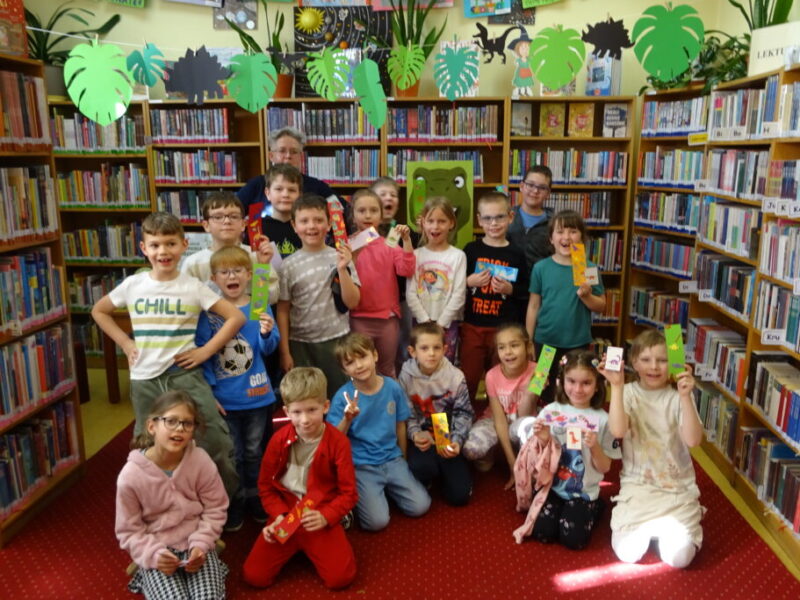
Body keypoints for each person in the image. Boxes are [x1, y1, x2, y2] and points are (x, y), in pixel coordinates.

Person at [92, 212, 243, 498]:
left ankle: (226, 501)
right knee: (148, 445)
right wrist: (125, 342)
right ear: (144, 248)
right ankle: (157, 502)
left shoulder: (192, 287)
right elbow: (99, 311)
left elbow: (235, 317)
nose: (163, 251)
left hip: (184, 375)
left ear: (184, 245)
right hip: (145, 379)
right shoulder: (133, 285)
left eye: (171, 244)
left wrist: (206, 351)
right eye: (155, 245)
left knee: (214, 439)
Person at [242, 367, 357, 590]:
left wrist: (327, 516)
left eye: (312, 410)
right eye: (296, 412)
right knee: (254, 576)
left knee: (341, 578)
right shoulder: (278, 440)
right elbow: (265, 486)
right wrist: (278, 516)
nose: (304, 420)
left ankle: (336, 525)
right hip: (286, 514)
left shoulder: (338, 442)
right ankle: (298, 545)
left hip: (319, 511)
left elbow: (349, 493)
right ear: (286, 411)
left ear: (325, 406)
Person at [599, 329, 705, 569]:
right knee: (627, 553)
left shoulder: (678, 396)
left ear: (673, 363)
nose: (654, 367)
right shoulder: (627, 392)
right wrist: (616, 387)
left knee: (679, 559)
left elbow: (693, 441)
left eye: (663, 360)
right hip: (639, 486)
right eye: (646, 360)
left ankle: (664, 526)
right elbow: (618, 431)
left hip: (676, 488)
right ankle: (651, 526)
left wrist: (686, 397)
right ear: (634, 362)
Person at [196, 246, 280, 531]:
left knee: (255, 452)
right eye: (224, 272)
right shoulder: (211, 312)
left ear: (248, 274)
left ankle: (256, 497)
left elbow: (269, 348)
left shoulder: (258, 305)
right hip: (225, 400)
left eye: (238, 271)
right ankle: (235, 500)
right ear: (214, 278)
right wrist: (209, 391)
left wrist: (266, 333)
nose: (231, 276)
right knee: (232, 455)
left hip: (257, 397)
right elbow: (204, 353)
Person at [115, 391, 229, 600]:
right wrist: (154, 555)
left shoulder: (200, 460)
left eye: (187, 423)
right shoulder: (130, 476)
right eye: (171, 421)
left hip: (196, 541)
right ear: (152, 426)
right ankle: (146, 575)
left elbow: (216, 507)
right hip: (157, 547)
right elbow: (129, 530)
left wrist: (202, 544)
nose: (179, 429)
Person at [327, 333, 430, 531]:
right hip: (362, 465)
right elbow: (334, 439)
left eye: (362, 357)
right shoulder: (343, 397)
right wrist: (347, 419)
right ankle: (366, 494)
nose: (359, 365)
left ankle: (384, 491)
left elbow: (400, 425)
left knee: (420, 506)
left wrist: (403, 458)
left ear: (374, 355)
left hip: (392, 459)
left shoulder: (392, 387)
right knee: (376, 523)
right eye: (350, 362)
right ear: (344, 369)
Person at [531, 350, 620, 550]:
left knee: (574, 540)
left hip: (584, 493)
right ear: (561, 381)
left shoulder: (605, 420)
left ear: (597, 385)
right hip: (553, 487)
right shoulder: (550, 411)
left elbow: (605, 468)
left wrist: (594, 446)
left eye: (586, 383)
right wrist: (544, 439)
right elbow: (539, 459)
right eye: (571, 381)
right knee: (542, 533)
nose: (578, 389)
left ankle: (596, 506)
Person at [277, 194, 360, 398]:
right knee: (306, 398)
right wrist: (285, 352)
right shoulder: (288, 266)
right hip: (300, 345)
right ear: (294, 226)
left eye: (318, 220)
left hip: (337, 340)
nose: (312, 226)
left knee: (340, 398)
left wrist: (342, 269)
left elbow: (353, 302)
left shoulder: (341, 257)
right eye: (304, 221)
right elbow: (283, 310)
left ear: (329, 224)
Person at [525, 209, 606, 404]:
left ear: (582, 238)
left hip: (577, 343)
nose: (566, 237)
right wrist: (529, 340)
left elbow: (601, 306)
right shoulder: (541, 268)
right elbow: (533, 306)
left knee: (573, 388)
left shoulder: (588, 268)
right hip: (545, 341)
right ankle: (539, 417)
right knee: (539, 386)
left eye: (573, 231)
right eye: (560, 231)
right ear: (551, 238)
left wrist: (587, 296)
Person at [460, 191, 528, 408]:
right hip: (473, 326)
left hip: (504, 329)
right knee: (469, 378)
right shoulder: (471, 250)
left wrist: (510, 289)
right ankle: (467, 415)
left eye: (499, 217)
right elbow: (454, 285)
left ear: (510, 217)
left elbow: (526, 290)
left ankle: (498, 416)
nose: (494, 223)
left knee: (502, 379)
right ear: (479, 220)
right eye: (488, 218)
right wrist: (468, 281)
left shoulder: (517, 253)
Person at [399, 322, 473, 506]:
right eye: (424, 348)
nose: (431, 353)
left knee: (460, 496)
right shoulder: (405, 376)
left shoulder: (456, 376)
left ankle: (447, 472)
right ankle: (429, 474)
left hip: (445, 431)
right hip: (422, 432)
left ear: (445, 349)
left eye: (436, 348)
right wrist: (415, 434)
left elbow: (464, 413)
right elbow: (406, 413)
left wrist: (456, 440)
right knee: (421, 467)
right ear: (412, 351)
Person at [348, 189, 415, 377]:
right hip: (358, 317)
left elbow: (406, 270)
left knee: (387, 368)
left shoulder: (389, 243)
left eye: (373, 210)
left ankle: (389, 397)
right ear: (353, 215)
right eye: (361, 210)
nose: (368, 215)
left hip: (387, 319)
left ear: (381, 214)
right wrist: (352, 257)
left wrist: (406, 241)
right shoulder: (347, 244)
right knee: (361, 369)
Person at [462, 323, 537, 489]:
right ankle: (492, 453)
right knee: (471, 450)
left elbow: (524, 416)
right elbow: (499, 420)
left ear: (528, 347)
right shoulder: (491, 375)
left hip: (523, 420)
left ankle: (523, 454)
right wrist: (512, 463)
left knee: (536, 438)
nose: (508, 352)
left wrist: (530, 393)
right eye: (502, 347)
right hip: (497, 421)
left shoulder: (539, 371)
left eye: (514, 345)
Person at [180, 191, 277, 298]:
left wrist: (262, 266)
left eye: (234, 217)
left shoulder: (256, 256)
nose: (227, 221)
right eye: (218, 217)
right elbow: (186, 300)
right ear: (206, 225)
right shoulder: (193, 263)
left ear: (243, 224)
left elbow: (270, 298)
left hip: (250, 309)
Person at [405, 197, 466, 363]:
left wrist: (441, 324)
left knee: (444, 366)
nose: (435, 226)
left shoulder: (458, 256)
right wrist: (425, 321)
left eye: (441, 221)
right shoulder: (415, 255)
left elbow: (459, 295)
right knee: (421, 364)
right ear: (423, 223)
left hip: (447, 324)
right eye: (430, 221)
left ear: (451, 223)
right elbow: (411, 294)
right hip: (420, 323)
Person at [237, 127, 336, 214]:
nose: (288, 156)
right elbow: (233, 210)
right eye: (282, 151)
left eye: (294, 152)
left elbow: (340, 212)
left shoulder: (317, 187)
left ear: (301, 157)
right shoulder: (256, 185)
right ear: (271, 156)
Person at [507, 165, 555, 276]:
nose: (535, 191)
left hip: (541, 282)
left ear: (548, 193)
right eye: (530, 185)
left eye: (542, 187)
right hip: (509, 282)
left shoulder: (556, 223)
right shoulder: (506, 217)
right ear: (522, 186)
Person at [260, 163, 303, 259]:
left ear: (300, 195)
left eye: (291, 190)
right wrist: (262, 264)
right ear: (268, 193)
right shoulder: (256, 229)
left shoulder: (307, 227)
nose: (285, 195)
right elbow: (252, 266)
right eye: (279, 189)